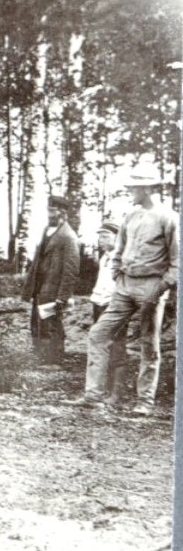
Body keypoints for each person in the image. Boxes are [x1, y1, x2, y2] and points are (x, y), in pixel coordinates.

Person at [72, 163, 178, 416]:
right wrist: (117, 274)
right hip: (124, 286)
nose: (131, 191)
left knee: (149, 344)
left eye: (135, 187)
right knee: (98, 334)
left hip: (152, 285)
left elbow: (178, 260)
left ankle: (145, 401)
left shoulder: (169, 217)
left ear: (148, 189)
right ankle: (93, 395)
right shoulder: (131, 216)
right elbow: (119, 250)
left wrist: (162, 286)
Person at [21, 194, 80, 365]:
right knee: (37, 322)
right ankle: (40, 357)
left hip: (53, 289)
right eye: (48, 210)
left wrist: (63, 296)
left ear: (63, 213)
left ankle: (54, 360)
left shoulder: (68, 236)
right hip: (40, 287)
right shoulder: (46, 230)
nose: (49, 215)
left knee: (52, 325)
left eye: (53, 211)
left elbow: (71, 270)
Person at [87, 220, 128, 407]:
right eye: (100, 236)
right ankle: (98, 390)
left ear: (118, 237)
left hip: (116, 305)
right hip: (99, 303)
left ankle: (116, 394)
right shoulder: (104, 258)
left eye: (106, 236)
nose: (101, 240)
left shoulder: (123, 257)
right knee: (99, 346)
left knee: (116, 347)